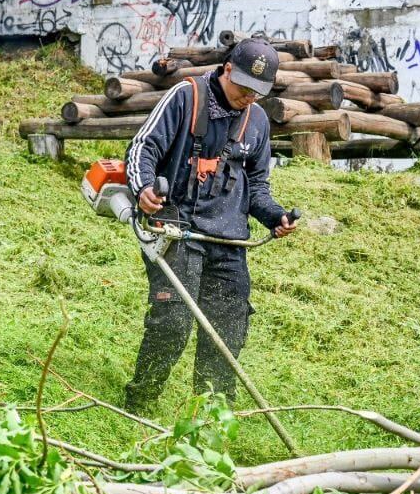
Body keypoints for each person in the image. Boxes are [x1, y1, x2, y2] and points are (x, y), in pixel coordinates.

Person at [122, 37, 297, 412]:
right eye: (245, 87)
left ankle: (211, 416)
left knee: (227, 329)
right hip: (175, 226)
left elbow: (258, 188)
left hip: (228, 239)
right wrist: (144, 188)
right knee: (173, 321)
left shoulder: (258, 121)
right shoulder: (186, 97)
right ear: (228, 69)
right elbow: (143, 148)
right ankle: (140, 400)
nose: (250, 97)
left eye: (258, 92)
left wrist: (274, 216)